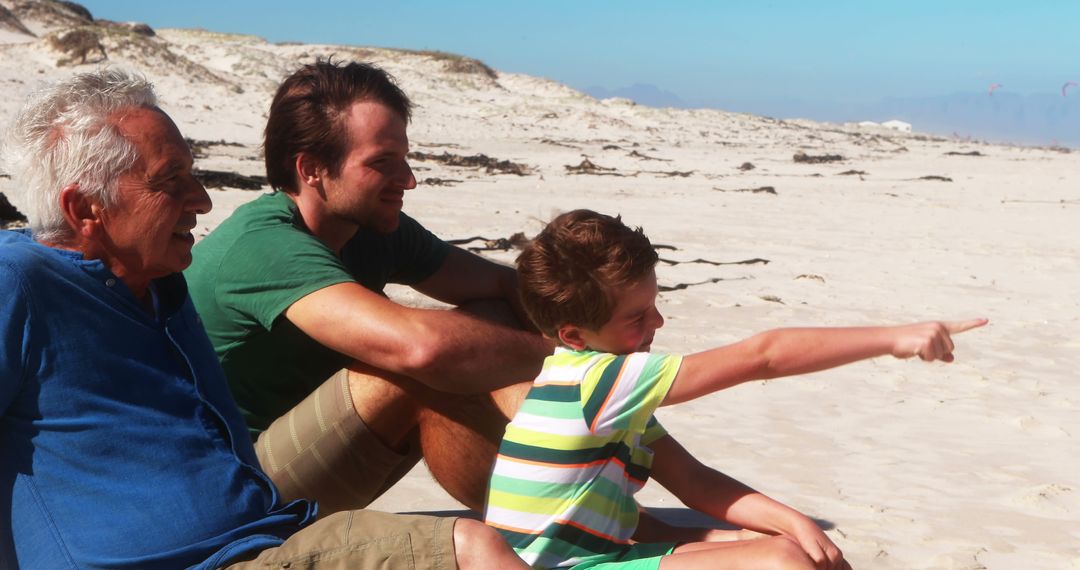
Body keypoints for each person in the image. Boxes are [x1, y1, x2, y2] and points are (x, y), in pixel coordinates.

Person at [0, 68, 527, 569]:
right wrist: (565, 353)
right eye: (171, 180)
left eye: (194, 173)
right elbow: (421, 349)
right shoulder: (19, 279)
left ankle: (551, 506)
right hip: (209, 551)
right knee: (471, 546)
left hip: (261, 526)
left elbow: (497, 289)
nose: (203, 200)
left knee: (478, 534)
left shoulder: (160, 283)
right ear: (86, 209)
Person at [483, 209, 987, 570]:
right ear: (573, 335)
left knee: (791, 547)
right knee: (781, 563)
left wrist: (792, 522)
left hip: (600, 554)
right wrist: (894, 338)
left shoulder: (591, 388)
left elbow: (695, 481)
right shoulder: (600, 382)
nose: (657, 321)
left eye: (654, 304)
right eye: (636, 317)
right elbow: (761, 355)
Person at [185, 59, 550, 515]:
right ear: (312, 169)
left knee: (491, 320)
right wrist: (576, 357)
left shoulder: (374, 230)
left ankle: (574, 499)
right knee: (416, 366)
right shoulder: (264, 246)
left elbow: (502, 283)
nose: (409, 180)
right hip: (226, 488)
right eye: (382, 163)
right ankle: (546, 527)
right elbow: (421, 351)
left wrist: (576, 347)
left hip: (303, 464)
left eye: (405, 159)